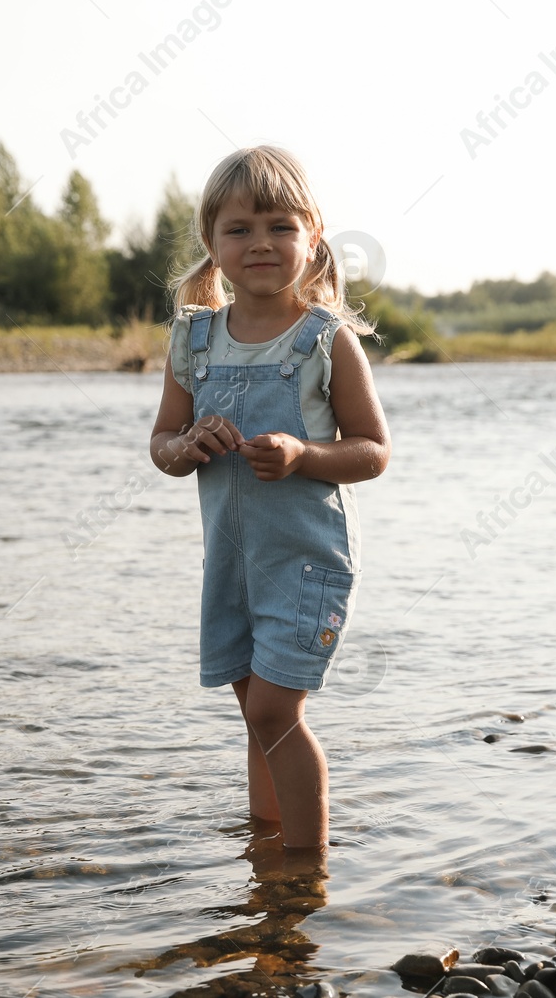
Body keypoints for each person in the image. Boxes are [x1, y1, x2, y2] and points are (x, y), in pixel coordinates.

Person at [148, 145, 391, 855]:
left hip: (305, 564)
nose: (260, 242)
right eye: (240, 228)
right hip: (231, 565)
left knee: (275, 709)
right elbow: (161, 441)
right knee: (257, 717)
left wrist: (304, 455)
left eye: (280, 226)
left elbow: (372, 449)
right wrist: (186, 445)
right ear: (212, 245)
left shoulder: (325, 341)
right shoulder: (193, 339)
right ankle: (268, 848)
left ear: (312, 236)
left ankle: (305, 869)